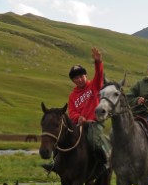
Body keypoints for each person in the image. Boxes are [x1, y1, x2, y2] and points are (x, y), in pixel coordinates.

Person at [42, 47, 110, 175]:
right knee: (62, 139)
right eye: (76, 78)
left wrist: (98, 62)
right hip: (78, 125)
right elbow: (71, 111)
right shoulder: (73, 95)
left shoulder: (94, 85)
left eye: (81, 76)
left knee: (94, 140)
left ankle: (106, 161)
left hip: (94, 123)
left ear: (85, 76)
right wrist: (78, 117)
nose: (79, 79)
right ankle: (55, 163)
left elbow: (99, 74)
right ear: (73, 80)